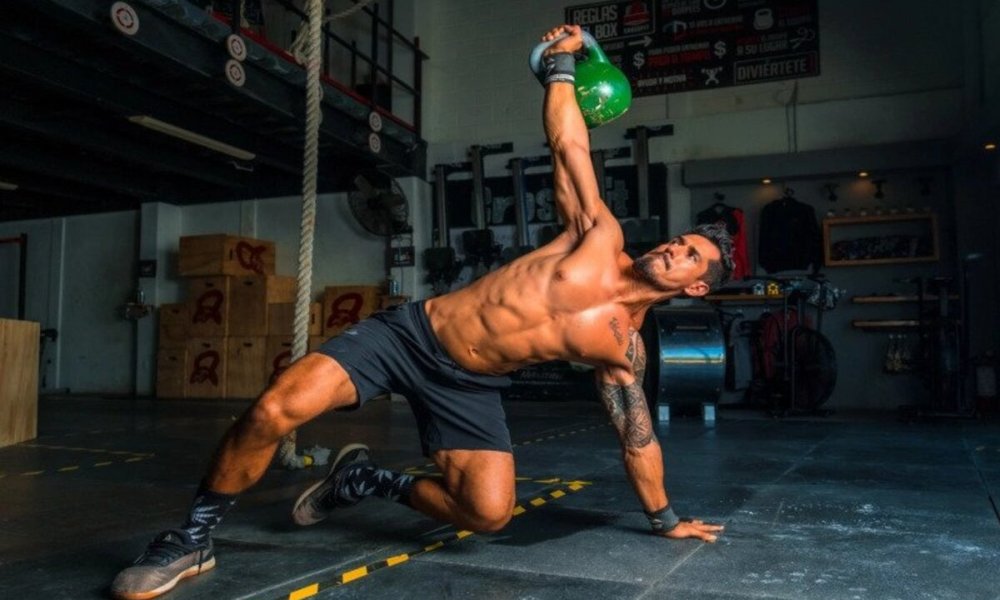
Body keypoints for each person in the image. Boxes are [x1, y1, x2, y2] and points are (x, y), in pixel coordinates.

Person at [111, 23, 732, 600]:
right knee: (275, 407)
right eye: (680, 241)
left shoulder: (623, 347)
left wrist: (666, 521)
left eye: (690, 257)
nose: (674, 249)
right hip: (409, 335)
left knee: (488, 514)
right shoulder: (598, 235)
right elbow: (568, 142)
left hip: (470, 386)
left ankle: (364, 481)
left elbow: (636, 438)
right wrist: (563, 66)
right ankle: (191, 540)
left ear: (696, 288)